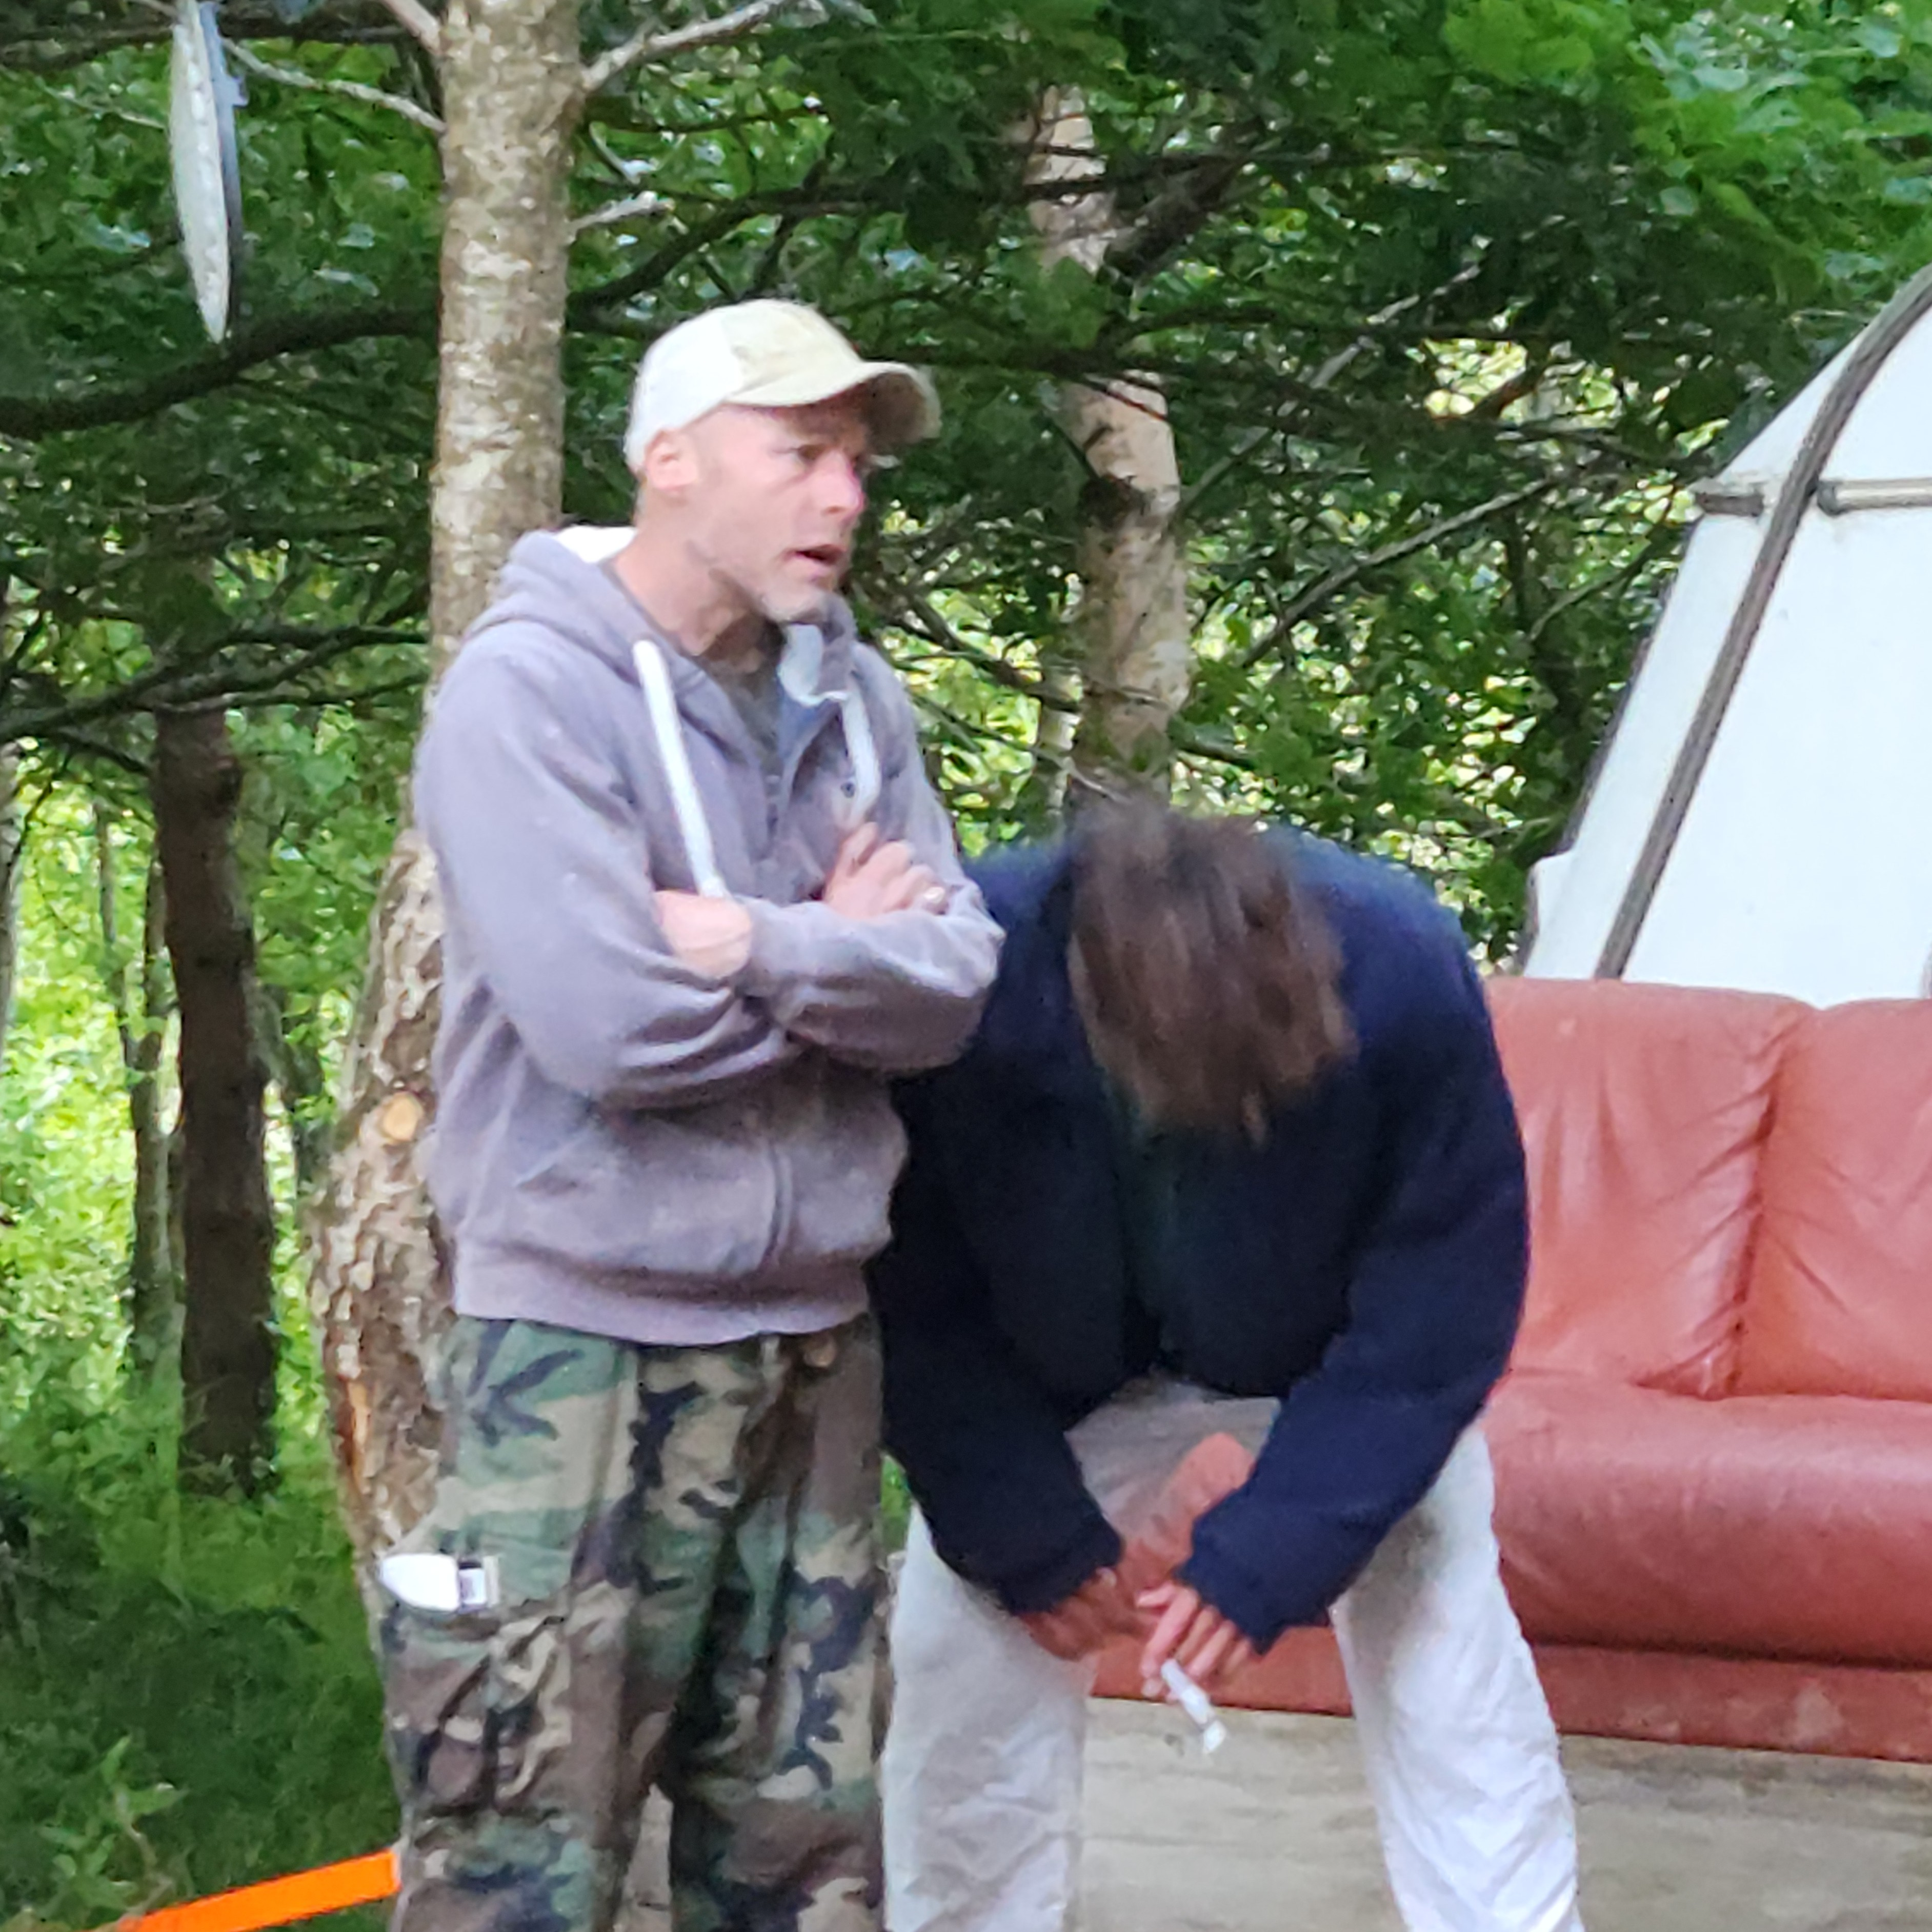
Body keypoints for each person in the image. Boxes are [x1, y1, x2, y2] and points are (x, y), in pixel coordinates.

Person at [379, 299, 1002, 1932]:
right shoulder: (530, 695)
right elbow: (612, 1028)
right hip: (579, 1359)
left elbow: (953, 991)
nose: (846, 497)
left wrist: (754, 936)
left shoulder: (854, 703)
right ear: (671, 464)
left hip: (815, 1352)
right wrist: (840, 947)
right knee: (521, 1852)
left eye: (857, 463)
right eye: (802, 454)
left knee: (805, 1863)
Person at [874, 803, 1585, 1932]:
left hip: (1318, 1356)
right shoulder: (969, 970)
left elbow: (1438, 1306)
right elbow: (912, 1288)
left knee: (1444, 1608)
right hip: (1055, 1367)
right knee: (957, 1641)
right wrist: (1023, 1535)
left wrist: (1273, 1555)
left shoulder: (1400, 969)